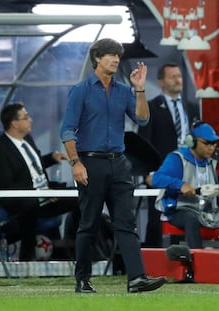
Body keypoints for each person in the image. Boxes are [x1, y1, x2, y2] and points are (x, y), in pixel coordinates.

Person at [60, 38, 166, 294]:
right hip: (90, 162)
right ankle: (82, 280)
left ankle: (137, 279)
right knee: (89, 224)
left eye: (117, 55)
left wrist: (139, 89)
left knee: (126, 224)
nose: (116, 59)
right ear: (97, 58)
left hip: (119, 164)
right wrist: (76, 163)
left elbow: (141, 118)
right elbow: (67, 130)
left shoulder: (123, 91)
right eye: (110, 54)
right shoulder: (81, 90)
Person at [0, 102, 76, 261]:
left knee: (82, 197)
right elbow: (6, 186)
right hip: (23, 200)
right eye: (26, 117)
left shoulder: (27, 139)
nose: (31, 120)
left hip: (45, 195)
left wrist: (51, 158)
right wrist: (39, 193)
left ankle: (78, 250)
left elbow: (29, 166)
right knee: (28, 208)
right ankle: (27, 261)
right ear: (14, 123)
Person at [138, 62, 200, 248]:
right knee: (156, 219)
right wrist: (147, 172)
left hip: (188, 171)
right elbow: (144, 142)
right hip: (161, 171)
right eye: (172, 76)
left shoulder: (192, 107)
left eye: (179, 76)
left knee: (188, 215)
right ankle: (151, 261)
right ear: (161, 81)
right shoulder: (152, 107)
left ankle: (187, 257)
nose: (177, 80)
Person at [150, 122, 219, 249]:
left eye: (214, 144)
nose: (211, 148)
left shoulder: (210, 163)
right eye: (206, 143)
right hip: (179, 209)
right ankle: (197, 262)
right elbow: (156, 179)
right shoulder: (177, 159)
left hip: (204, 210)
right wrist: (180, 185)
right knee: (191, 220)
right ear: (192, 142)